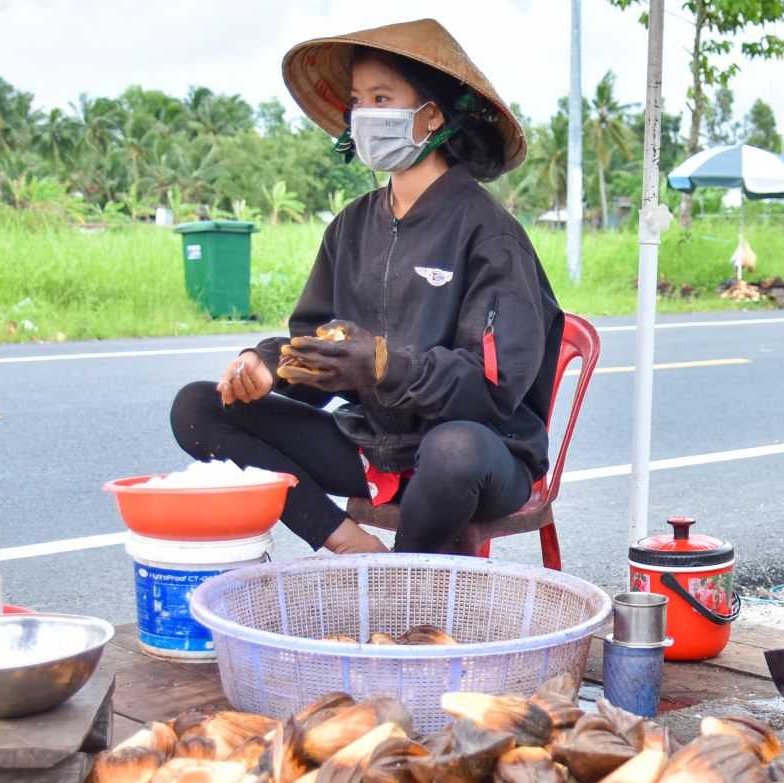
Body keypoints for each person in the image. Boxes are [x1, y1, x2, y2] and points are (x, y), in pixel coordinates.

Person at [171, 19, 562, 555]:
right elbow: (320, 344)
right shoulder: (351, 227)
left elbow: (493, 394)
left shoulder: (489, 233)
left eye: (383, 97)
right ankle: (348, 543)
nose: (365, 115)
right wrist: (268, 365)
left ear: (432, 114)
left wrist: (384, 364)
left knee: (454, 448)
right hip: (372, 444)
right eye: (358, 100)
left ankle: (398, 584)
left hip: (481, 453)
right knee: (199, 407)